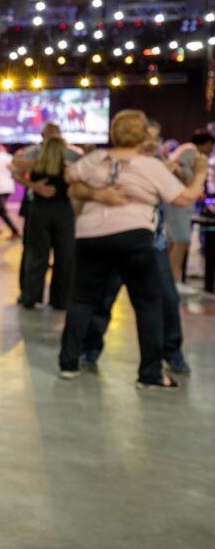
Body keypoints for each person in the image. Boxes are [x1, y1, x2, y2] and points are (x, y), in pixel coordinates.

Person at [58, 109, 207, 389]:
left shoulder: (96, 158)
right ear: (142, 136)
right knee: (148, 305)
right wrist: (200, 173)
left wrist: (96, 192)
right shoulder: (150, 166)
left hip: (91, 236)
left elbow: (69, 176)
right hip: (134, 238)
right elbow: (185, 198)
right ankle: (150, 374)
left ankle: (68, 363)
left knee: (82, 300)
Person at [19, 136, 75, 309]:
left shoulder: (36, 165)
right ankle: (60, 300)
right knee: (64, 256)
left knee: (37, 255)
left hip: (39, 211)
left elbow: (14, 173)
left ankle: (30, 298)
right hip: (63, 213)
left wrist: (33, 186)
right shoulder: (67, 168)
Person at [165, 128, 213, 287]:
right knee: (180, 242)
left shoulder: (184, 149)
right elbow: (187, 179)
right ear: (207, 143)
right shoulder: (191, 152)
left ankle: (172, 282)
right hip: (179, 204)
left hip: (176, 203)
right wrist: (197, 183)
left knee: (175, 242)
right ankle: (174, 282)